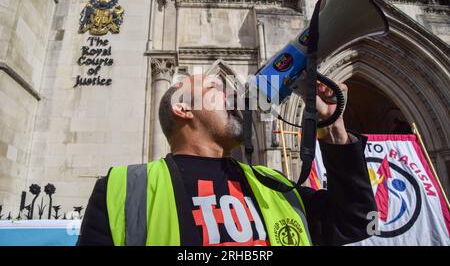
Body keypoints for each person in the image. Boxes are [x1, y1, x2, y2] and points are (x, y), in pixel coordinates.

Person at [77, 74, 377, 246]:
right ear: (183, 108)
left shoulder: (273, 185)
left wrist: (333, 123)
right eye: (214, 90)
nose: (233, 96)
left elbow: (357, 222)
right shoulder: (122, 191)